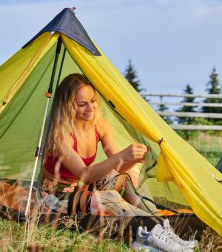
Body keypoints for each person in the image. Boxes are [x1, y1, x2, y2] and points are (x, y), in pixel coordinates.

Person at [41, 73, 156, 216]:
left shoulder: (100, 126)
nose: (91, 108)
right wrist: (121, 155)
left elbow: (119, 168)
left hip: (81, 189)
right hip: (56, 195)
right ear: (67, 106)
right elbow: (84, 175)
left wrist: (136, 159)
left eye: (93, 101)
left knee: (129, 174)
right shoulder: (59, 135)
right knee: (109, 198)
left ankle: (158, 219)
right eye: (82, 104)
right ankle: (152, 227)